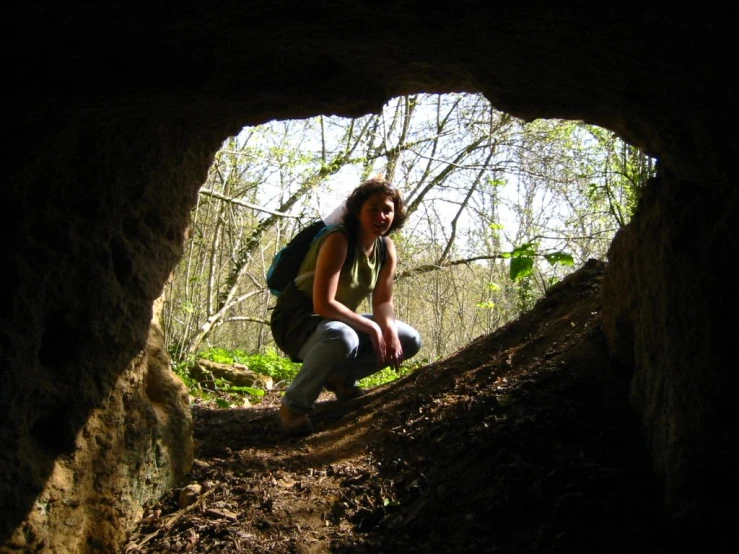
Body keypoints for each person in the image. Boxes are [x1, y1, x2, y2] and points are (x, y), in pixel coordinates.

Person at [270, 176, 422, 436]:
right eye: (372, 209)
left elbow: (383, 301)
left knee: (408, 338)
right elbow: (323, 304)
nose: (380, 216)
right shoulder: (338, 239)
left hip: (335, 322)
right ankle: (293, 407)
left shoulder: (386, 248)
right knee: (343, 336)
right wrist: (373, 330)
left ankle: (339, 377)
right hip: (297, 321)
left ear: (395, 215)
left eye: (387, 210)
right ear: (358, 211)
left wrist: (386, 329)